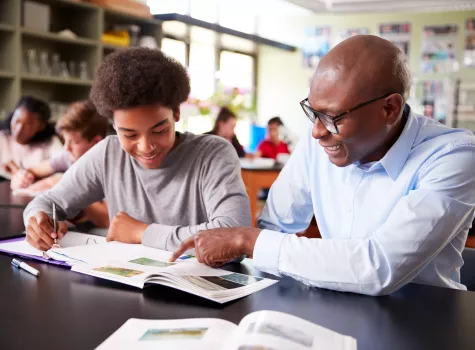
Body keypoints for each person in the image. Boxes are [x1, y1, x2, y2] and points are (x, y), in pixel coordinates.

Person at [170, 35, 475, 296]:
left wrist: (246, 240)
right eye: (313, 113)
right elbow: (274, 226)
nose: (317, 131)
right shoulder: (320, 141)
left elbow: (381, 265)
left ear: (389, 109)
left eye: (333, 117)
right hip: (334, 304)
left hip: (425, 321)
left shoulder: (453, 156)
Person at [23, 47, 251, 251]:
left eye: (159, 130)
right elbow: (45, 203)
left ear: (177, 114)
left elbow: (235, 234)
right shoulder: (108, 154)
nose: (146, 147)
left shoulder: (213, 154)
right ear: (114, 126)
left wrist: (142, 233)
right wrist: (38, 221)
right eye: (129, 134)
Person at [11, 100, 110, 228]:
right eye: (65, 140)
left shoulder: (110, 165)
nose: (66, 147)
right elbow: (34, 170)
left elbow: (108, 218)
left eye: (74, 142)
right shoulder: (70, 156)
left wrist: (70, 190)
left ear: (96, 142)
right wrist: (21, 176)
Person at [0, 96, 62, 176]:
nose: (19, 130)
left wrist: (27, 173)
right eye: (17, 121)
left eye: (28, 125)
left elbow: (63, 166)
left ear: (41, 127)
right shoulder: (2, 137)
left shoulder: (51, 142)